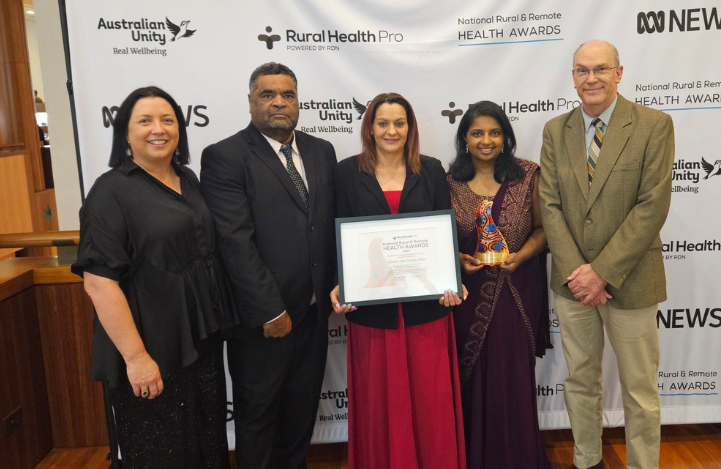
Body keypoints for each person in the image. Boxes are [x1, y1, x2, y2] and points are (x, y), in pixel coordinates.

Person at [72, 86, 237, 468]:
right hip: (150, 348)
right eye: (144, 121)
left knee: (206, 447)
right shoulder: (110, 191)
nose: (158, 129)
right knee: (161, 453)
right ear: (125, 134)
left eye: (167, 119)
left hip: (200, 342)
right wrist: (136, 358)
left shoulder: (188, 178)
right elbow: (98, 282)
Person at [539, 40, 674, 469]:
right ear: (573, 77)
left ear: (619, 73)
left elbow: (652, 205)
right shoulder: (554, 131)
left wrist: (602, 272)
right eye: (582, 70)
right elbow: (550, 204)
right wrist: (581, 272)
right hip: (572, 283)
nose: (590, 78)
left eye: (600, 69)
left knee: (639, 390)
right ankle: (587, 461)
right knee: (580, 381)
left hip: (631, 280)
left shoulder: (654, 124)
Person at [200, 63, 337, 469]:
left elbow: (328, 227)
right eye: (267, 94)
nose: (279, 102)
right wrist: (269, 310)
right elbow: (234, 241)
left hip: (313, 315)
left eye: (288, 95)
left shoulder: (321, 151)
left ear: (298, 101)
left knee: (300, 416)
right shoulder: (225, 157)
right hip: (263, 321)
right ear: (250, 101)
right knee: (258, 419)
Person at [331, 92, 467, 469]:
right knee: (380, 402)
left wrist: (452, 279)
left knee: (430, 397)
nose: (392, 131)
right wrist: (340, 283)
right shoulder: (345, 172)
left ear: (411, 128)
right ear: (369, 128)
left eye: (400, 123)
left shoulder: (432, 169)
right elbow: (335, 236)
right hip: (373, 313)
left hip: (427, 310)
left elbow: (445, 233)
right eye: (383, 123)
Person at [447, 101, 552, 469]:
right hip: (468, 294)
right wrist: (459, 261)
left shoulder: (526, 175)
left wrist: (521, 256)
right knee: (472, 380)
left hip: (517, 290)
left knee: (511, 376)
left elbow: (544, 230)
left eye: (494, 132)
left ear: (506, 136)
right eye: (477, 133)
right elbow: (442, 240)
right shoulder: (450, 181)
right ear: (464, 139)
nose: (486, 140)